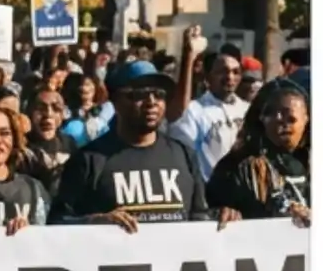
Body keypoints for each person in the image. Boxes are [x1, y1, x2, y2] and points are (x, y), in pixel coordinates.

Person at [51, 59, 236, 228]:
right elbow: (57, 223)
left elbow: (199, 217)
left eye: (159, 94)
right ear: (115, 101)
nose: (152, 102)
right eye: (140, 94)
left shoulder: (184, 156)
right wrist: (93, 222)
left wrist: (222, 216)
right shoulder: (89, 160)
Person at [207, 78, 310, 223]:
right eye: (271, 112)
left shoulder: (312, 161)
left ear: (306, 117)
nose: (280, 119)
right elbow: (204, 213)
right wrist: (222, 213)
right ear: (260, 118)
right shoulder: (237, 166)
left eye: (288, 115)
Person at [168, 28, 248, 177]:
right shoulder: (194, 111)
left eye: (235, 72)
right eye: (222, 71)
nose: (230, 77)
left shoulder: (247, 110)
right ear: (208, 77)